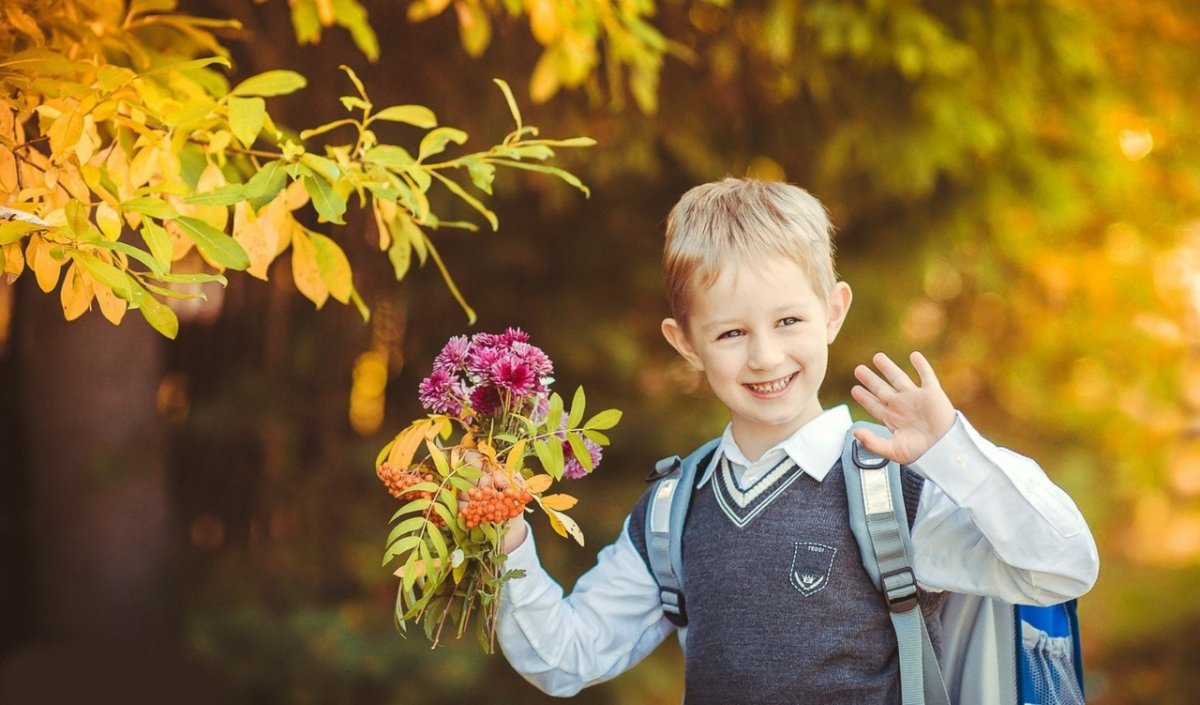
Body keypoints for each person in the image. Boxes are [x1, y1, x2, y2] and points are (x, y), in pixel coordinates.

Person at [493, 177, 1099, 703]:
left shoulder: (894, 489)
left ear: (833, 312)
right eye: (730, 332)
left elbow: (1063, 567)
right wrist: (508, 540)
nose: (764, 355)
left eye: (788, 321)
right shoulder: (672, 511)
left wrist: (952, 451)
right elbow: (567, 659)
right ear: (685, 343)